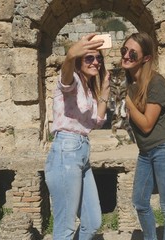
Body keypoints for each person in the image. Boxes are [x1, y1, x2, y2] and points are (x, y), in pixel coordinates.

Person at [45, 33, 110, 240]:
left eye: (98, 58)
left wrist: (105, 94)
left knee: (92, 222)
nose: (96, 62)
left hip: (82, 153)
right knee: (65, 227)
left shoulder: (89, 90)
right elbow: (65, 77)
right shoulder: (71, 79)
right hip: (66, 152)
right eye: (89, 58)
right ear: (79, 60)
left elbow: (95, 122)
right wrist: (70, 55)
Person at [122, 32, 165, 240]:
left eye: (133, 53)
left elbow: (147, 125)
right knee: (140, 202)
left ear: (146, 58)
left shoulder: (156, 82)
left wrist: (127, 102)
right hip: (146, 151)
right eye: (124, 50)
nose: (126, 56)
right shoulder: (131, 83)